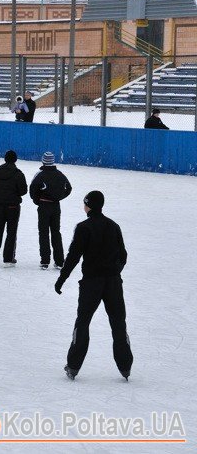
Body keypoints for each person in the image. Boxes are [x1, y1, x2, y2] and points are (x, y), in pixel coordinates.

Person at [55, 191, 133, 381]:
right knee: (118, 323)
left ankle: (73, 366)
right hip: (113, 283)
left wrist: (61, 278)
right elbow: (123, 255)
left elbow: (73, 256)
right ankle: (125, 367)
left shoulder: (84, 227)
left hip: (91, 283)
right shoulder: (114, 226)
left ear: (88, 205)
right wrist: (115, 272)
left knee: (82, 323)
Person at [29, 151, 72, 270]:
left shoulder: (40, 174)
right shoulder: (60, 174)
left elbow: (32, 190)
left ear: (43, 161)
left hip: (44, 207)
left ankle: (45, 261)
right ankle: (59, 261)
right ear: (53, 161)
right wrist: (59, 197)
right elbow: (69, 188)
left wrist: (38, 201)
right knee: (56, 232)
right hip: (56, 207)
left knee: (43, 233)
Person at [0, 150, 28, 267]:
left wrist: (1, 195)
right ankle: (8, 258)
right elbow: (23, 190)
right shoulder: (18, 174)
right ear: (15, 160)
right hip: (13, 206)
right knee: (11, 232)